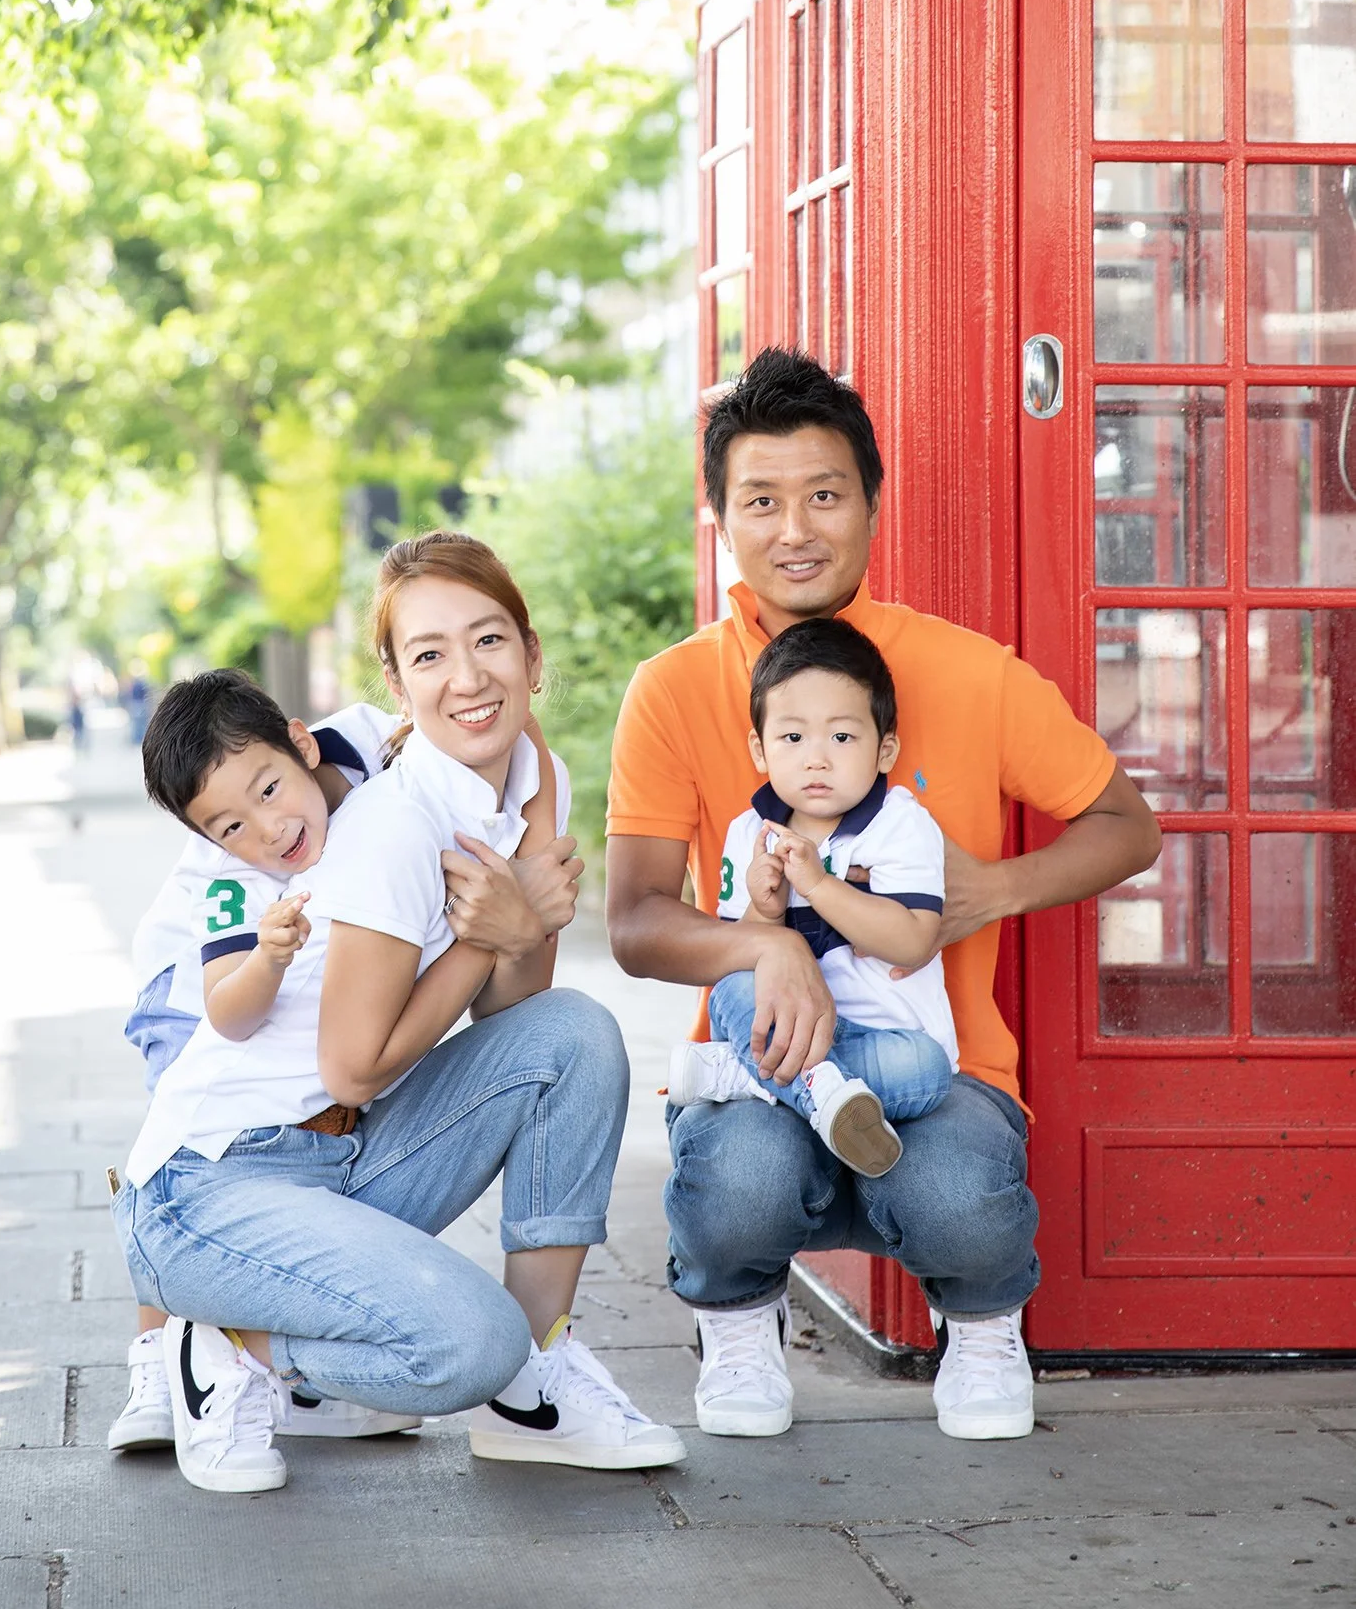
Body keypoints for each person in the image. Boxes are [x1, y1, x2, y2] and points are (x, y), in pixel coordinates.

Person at [606, 347, 1160, 1446]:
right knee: (743, 1184)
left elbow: (1126, 825)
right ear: (719, 515)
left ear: (868, 503)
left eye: (823, 494)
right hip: (766, 1062)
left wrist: (988, 890)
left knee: (961, 1197)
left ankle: (984, 1326)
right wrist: (769, 950)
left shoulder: (969, 673)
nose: (794, 529)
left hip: (935, 1064)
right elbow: (630, 920)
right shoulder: (673, 687)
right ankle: (736, 1321)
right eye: (759, 500)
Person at [114, 531, 684, 1490]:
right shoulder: (383, 827)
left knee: (571, 1036)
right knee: (465, 1344)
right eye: (430, 655)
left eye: (490, 641)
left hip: (339, 1152)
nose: (467, 676)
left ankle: (533, 1379)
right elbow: (353, 1064)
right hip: (212, 1170)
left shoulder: (517, 773)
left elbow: (514, 1003)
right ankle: (225, 1346)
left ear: (531, 655)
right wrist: (488, 930)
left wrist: (523, 891)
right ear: (397, 681)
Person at [107, 685, 395, 1455]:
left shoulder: (367, 743)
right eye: (233, 823)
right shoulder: (225, 870)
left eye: (271, 790)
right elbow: (230, 1011)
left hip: (266, 973)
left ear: (303, 743)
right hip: (187, 987)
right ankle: (158, 1355)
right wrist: (267, 955)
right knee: (190, 1149)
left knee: (299, 1152)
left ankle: (286, 1373)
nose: (268, 825)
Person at [668, 618, 954, 1180]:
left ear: (885, 747)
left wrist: (820, 886)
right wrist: (765, 913)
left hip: (883, 1042)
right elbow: (735, 960)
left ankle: (749, 1075)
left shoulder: (901, 825)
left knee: (928, 1069)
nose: (816, 758)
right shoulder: (749, 832)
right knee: (733, 984)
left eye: (842, 738)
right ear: (760, 748)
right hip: (781, 1022)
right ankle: (820, 1088)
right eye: (793, 738)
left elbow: (913, 940)